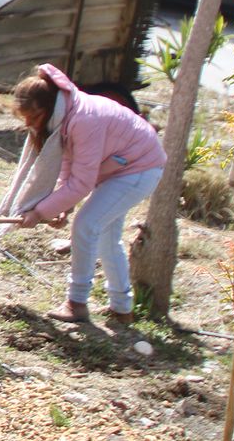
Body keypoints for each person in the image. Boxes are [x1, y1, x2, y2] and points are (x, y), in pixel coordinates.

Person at [10, 65, 166, 326]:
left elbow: (82, 183)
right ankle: (122, 308)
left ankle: (77, 302)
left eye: (33, 116)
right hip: (121, 166)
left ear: (47, 107)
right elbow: (70, 164)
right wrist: (62, 206)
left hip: (139, 168)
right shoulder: (66, 114)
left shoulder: (83, 119)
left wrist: (39, 212)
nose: (29, 124)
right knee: (106, 235)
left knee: (87, 225)